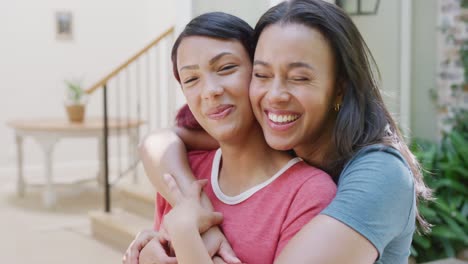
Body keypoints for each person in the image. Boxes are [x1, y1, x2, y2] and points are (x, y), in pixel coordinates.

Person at [127, 0, 432, 263]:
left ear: (340, 88)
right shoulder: (283, 138)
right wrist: (185, 212)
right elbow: (161, 141)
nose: (274, 95)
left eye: (299, 77)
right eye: (262, 74)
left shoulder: (380, 173)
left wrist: (185, 236)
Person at [123, 11, 336, 264]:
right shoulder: (184, 172)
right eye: (191, 79)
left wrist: (184, 233)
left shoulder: (308, 193)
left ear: (260, 73)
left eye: (226, 68)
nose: (210, 91)